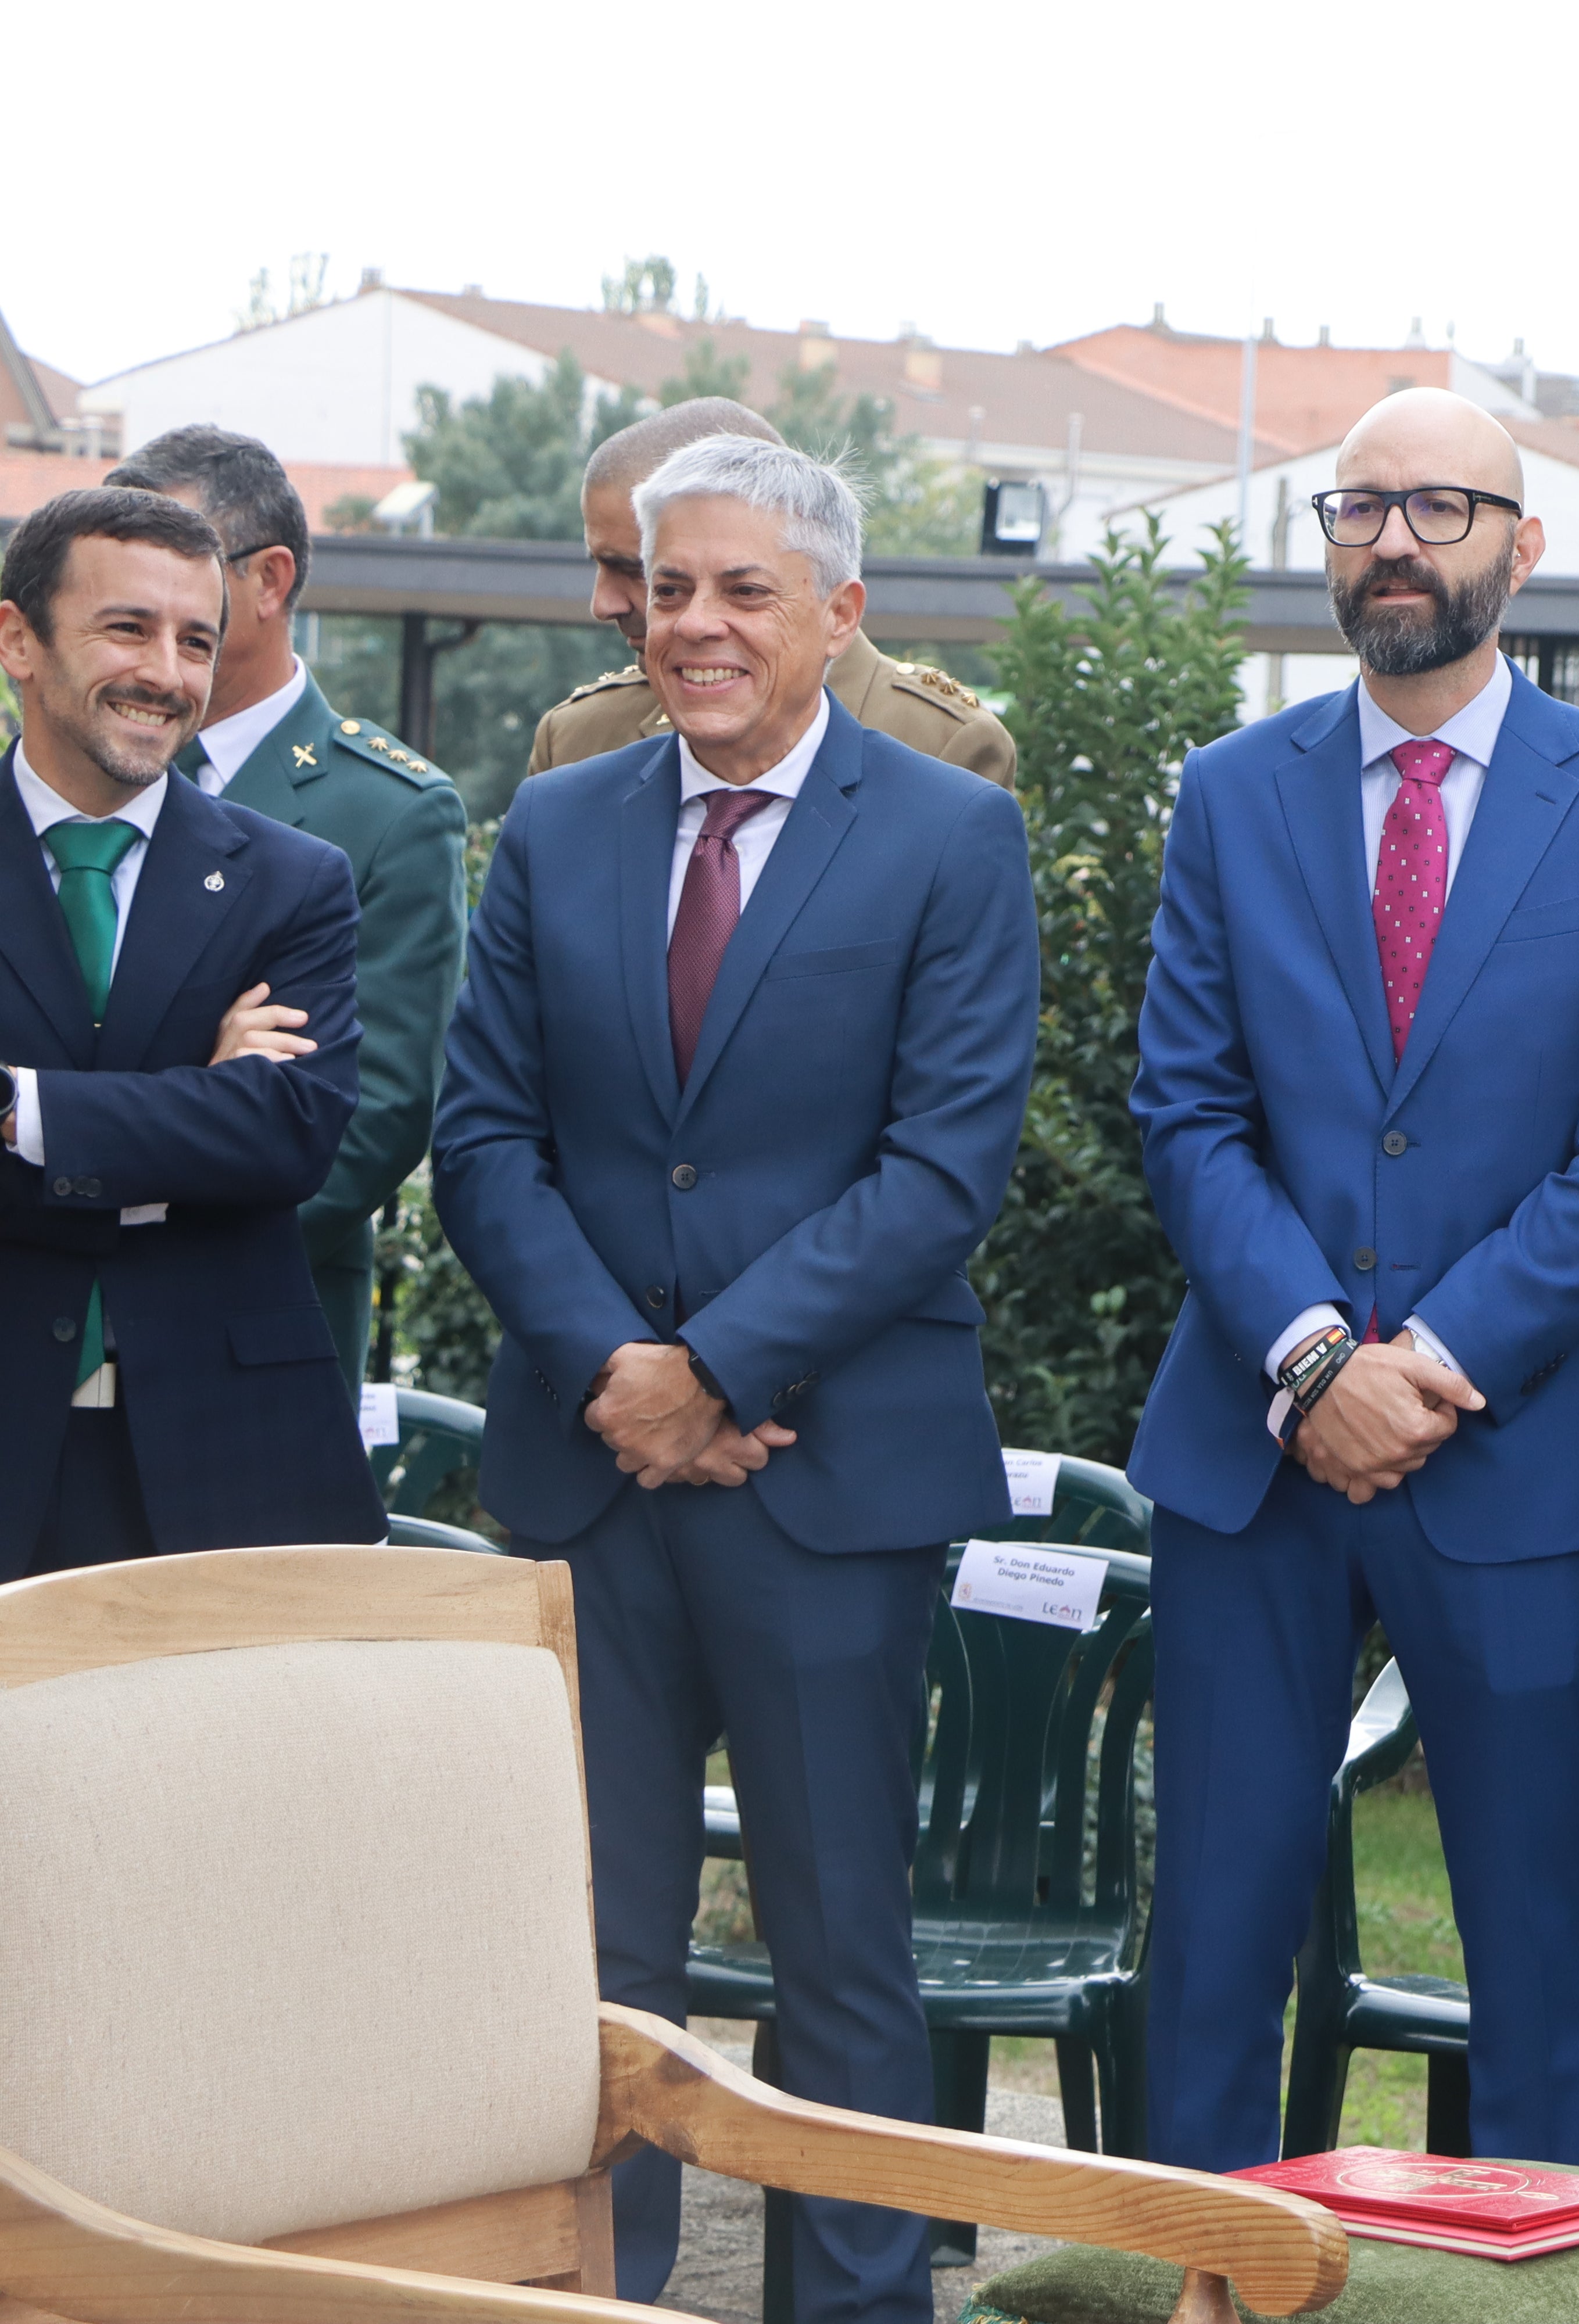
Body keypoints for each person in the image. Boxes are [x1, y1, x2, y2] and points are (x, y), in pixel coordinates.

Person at [432, 437, 1037, 2323]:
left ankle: (852, 2308)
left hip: (830, 1482)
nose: (693, 625)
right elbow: (484, 1138)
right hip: (589, 1475)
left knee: (844, 1953)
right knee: (594, 1963)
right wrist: (623, 1372)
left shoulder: (949, 833)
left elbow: (944, 1170)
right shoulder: (559, 823)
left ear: (840, 615)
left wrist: (718, 1367)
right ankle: (584, 2300)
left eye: (743, 592)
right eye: (668, 587)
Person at [1127, 388, 1579, 2172]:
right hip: (1255, 1453)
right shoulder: (1233, 795)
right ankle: (1202, 2284)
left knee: (1539, 1946)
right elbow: (1186, 1106)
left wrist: (1429, 1361)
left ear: (1520, 550)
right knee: (1215, 1938)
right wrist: (1316, 1362)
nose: (1393, 538)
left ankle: (1541, 2292)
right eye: (1359, 506)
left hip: (1515, 1466)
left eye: (1439, 506)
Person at [0, 487, 384, 1576]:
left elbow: (289, 1137)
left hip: (231, 1457)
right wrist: (192, 1106)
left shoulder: (295, 883)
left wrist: (20, 1109)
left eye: (197, 640)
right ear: (16, 639)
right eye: (129, 628)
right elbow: (232, 1132)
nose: (168, 674)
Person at [105, 425, 467, 1378]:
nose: (144, 608)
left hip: (248, 1340)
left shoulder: (386, 811)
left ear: (269, 581)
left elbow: (370, 1118)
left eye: (180, 564)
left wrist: (123, 1240)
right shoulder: (76, 785)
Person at [513, 398, 1012, 814]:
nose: (602, 604)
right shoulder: (579, 739)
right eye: (669, 584)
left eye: (633, 570)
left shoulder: (942, 744)